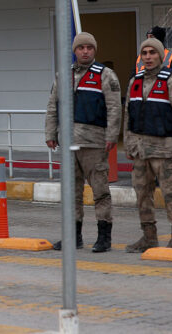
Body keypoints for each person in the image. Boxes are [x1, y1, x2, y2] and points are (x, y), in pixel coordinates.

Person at [45, 32, 121, 252]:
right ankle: (73, 237)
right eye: (81, 48)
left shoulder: (106, 75)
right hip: (68, 144)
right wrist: (50, 133)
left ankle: (104, 238)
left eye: (89, 47)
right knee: (71, 192)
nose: (85, 51)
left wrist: (111, 136)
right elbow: (53, 105)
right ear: (74, 50)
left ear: (94, 50)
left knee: (100, 191)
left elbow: (114, 109)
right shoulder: (63, 75)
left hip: (94, 143)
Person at [124, 38, 172, 252]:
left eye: (152, 52)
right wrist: (128, 145)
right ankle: (149, 237)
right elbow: (128, 116)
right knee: (142, 195)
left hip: (165, 151)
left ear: (160, 56)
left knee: (171, 193)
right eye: (144, 53)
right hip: (140, 151)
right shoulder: (134, 80)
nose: (148, 57)